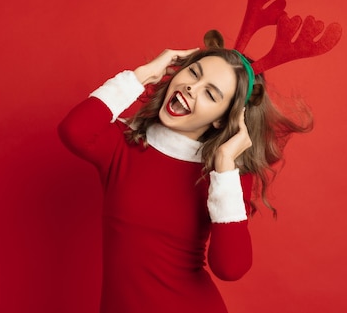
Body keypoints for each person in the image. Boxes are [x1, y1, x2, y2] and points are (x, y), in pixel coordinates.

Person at [58, 32, 312, 313]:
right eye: (193, 73)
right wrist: (141, 75)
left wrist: (225, 165)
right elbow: (75, 132)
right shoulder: (125, 143)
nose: (192, 88)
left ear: (220, 119)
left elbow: (230, 267)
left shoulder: (224, 173)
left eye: (210, 93)